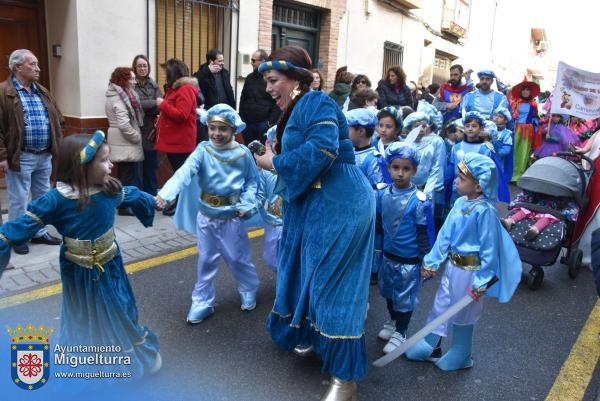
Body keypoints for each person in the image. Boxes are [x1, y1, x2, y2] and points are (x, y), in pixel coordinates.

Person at [254, 47, 375, 401]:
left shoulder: (315, 101)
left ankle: (345, 379)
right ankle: (311, 335)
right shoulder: (296, 108)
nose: (269, 88)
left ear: (295, 79)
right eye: (266, 82)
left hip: (341, 204)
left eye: (273, 80)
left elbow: (321, 150)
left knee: (332, 285)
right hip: (318, 206)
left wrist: (273, 163)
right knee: (307, 273)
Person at [0, 131, 162, 376]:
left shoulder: (109, 189)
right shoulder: (57, 200)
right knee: (84, 317)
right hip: (78, 271)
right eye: (105, 160)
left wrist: (155, 200)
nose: (111, 165)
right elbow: (18, 229)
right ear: (82, 166)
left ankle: (129, 356)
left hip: (111, 266)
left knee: (120, 309)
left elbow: (133, 195)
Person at [406, 152, 521, 371]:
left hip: (471, 271)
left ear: (478, 186)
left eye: (462, 178)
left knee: (464, 312)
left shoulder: (485, 212)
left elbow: (489, 248)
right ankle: (431, 343)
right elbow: (445, 236)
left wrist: (482, 280)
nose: (456, 181)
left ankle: (461, 351)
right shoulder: (460, 203)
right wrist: (432, 262)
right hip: (452, 267)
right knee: (441, 303)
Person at [156, 104, 260, 324]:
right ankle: (202, 301)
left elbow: (253, 182)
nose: (216, 134)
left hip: (233, 217)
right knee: (205, 261)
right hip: (206, 217)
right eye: (212, 128)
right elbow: (185, 171)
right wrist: (167, 193)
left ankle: (248, 287)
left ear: (233, 130)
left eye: (222, 129)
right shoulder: (203, 150)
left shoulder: (242, 154)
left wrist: (247, 203)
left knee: (238, 258)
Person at [0, 49, 63, 254]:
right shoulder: (4, 92)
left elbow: (57, 118)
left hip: (44, 154)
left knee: (42, 196)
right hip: (22, 155)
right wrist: (2, 156)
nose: (38, 68)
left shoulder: (41, 90)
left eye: (37, 64)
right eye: (33, 64)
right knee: (18, 198)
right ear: (18, 67)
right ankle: (17, 235)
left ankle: (39, 231)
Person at [376, 143, 432, 354]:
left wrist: (425, 260)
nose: (400, 173)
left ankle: (401, 330)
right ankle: (392, 321)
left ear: (414, 170)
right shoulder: (382, 193)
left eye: (406, 169)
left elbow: (423, 233)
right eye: (395, 167)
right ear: (388, 168)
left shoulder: (419, 201)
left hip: (409, 260)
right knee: (388, 292)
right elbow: (379, 223)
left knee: (405, 297)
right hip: (388, 256)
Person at [154, 59, 199, 216]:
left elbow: (182, 114)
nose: (165, 75)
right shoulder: (175, 89)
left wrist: (162, 104)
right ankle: (180, 202)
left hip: (180, 141)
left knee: (181, 173)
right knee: (178, 172)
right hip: (174, 140)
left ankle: (182, 203)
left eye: (167, 72)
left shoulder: (185, 89)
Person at [105, 66, 144, 218]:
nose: (134, 82)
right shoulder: (120, 97)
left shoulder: (117, 94)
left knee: (124, 173)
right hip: (124, 140)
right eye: (132, 79)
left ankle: (122, 203)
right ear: (124, 80)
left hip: (120, 140)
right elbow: (123, 124)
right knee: (127, 175)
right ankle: (124, 206)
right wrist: (137, 136)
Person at [132, 54, 162, 196]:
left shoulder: (154, 85)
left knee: (151, 167)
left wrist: (150, 105)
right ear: (135, 68)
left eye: (145, 66)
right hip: (136, 130)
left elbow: (161, 105)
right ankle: (137, 198)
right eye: (139, 66)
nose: (142, 68)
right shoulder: (131, 84)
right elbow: (134, 105)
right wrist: (153, 103)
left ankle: (150, 197)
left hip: (151, 132)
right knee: (136, 169)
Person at [239, 49, 280, 145]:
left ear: (263, 61)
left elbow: (277, 102)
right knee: (249, 150)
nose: (251, 63)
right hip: (248, 124)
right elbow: (243, 98)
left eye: (253, 60)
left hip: (263, 124)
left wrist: (269, 122)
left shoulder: (271, 78)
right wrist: (242, 118)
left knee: (262, 151)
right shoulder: (249, 78)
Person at [501, 189, 579, 240]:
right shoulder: (536, 192)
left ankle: (534, 230)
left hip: (549, 212)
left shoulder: (562, 197)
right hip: (534, 207)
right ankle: (509, 221)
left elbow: (572, 209)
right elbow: (524, 196)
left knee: (547, 218)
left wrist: (562, 213)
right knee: (524, 210)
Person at [258, 125, 283, 272]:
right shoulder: (266, 171)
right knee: (272, 259)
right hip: (274, 224)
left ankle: (291, 291)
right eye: (275, 141)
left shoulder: (298, 167)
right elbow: (260, 194)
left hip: (293, 224)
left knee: (294, 261)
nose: (278, 144)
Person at [509, 78, 541, 182]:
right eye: (524, 89)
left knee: (523, 153)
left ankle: (519, 175)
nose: (526, 91)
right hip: (515, 128)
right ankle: (510, 173)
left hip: (527, 130)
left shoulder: (533, 104)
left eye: (528, 89)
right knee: (513, 151)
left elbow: (536, 117)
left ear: (530, 92)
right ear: (521, 91)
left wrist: (536, 125)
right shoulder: (516, 103)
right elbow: (510, 116)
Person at [491, 107, 514, 185]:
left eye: (500, 117)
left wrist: (496, 150)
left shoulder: (507, 134)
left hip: (498, 161)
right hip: (485, 158)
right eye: (495, 115)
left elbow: (506, 150)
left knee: (495, 180)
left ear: (506, 120)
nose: (496, 118)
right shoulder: (487, 129)